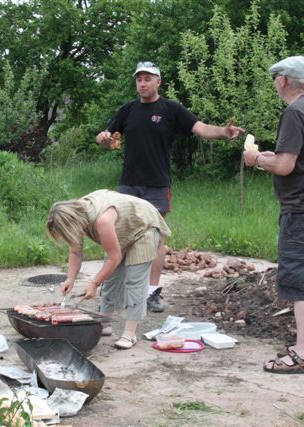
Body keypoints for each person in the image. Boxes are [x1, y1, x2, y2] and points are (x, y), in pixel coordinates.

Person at [96, 61, 244, 312]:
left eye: (147, 79)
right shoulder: (127, 110)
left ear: (158, 82)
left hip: (157, 184)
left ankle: (152, 292)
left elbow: (201, 129)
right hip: (128, 185)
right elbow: (109, 140)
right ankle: (116, 295)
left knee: (154, 238)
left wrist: (223, 132)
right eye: (139, 79)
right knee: (120, 237)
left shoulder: (171, 109)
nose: (142, 83)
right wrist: (102, 140)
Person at [243, 56, 304, 374]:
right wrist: (274, 156)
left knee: (301, 280)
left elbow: (285, 166)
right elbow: (296, 158)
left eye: (275, 79)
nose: (275, 84)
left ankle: (303, 355)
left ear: (283, 80)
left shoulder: (296, 112)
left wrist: (256, 159)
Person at [46, 189, 171, 349]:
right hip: (123, 228)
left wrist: (94, 283)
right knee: (111, 280)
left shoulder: (102, 220)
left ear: (71, 222)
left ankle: (129, 334)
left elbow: (114, 258)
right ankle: (104, 324)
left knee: (135, 281)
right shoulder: (77, 217)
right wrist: (70, 278)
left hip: (143, 226)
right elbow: (75, 252)